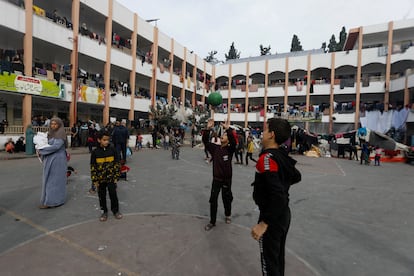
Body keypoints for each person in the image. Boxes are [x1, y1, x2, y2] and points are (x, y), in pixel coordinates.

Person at [251, 118, 301, 276]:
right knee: (278, 259)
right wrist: (283, 182)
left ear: (271, 134)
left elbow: (278, 196)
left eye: (265, 130)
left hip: (272, 217)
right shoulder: (282, 156)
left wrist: (264, 223)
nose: (262, 133)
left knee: (269, 263)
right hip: (283, 215)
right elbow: (296, 176)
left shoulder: (266, 159)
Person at [203, 118, 237, 231]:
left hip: (227, 179)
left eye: (225, 135)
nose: (223, 135)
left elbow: (234, 142)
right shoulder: (215, 149)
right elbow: (205, 142)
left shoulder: (230, 149)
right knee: (213, 199)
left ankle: (228, 214)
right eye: (223, 134)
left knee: (226, 198)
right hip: (216, 179)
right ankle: (212, 221)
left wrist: (228, 130)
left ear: (227, 140)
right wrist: (208, 129)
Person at [90, 130, 123, 221]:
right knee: (102, 196)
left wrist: (116, 176)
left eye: (107, 140)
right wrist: (94, 180)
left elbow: (117, 164)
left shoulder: (112, 149)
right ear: (99, 140)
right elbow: (93, 167)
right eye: (104, 140)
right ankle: (104, 212)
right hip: (100, 179)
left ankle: (115, 211)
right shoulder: (95, 152)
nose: (106, 142)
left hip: (111, 178)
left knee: (113, 194)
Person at [37, 117, 68, 209]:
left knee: (54, 181)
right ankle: (48, 200)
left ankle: (53, 201)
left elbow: (55, 147)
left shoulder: (61, 134)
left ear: (59, 125)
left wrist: (41, 150)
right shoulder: (50, 134)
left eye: (55, 124)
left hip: (58, 160)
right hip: (49, 159)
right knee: (48, 180)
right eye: (52, 124)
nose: (53, 126)